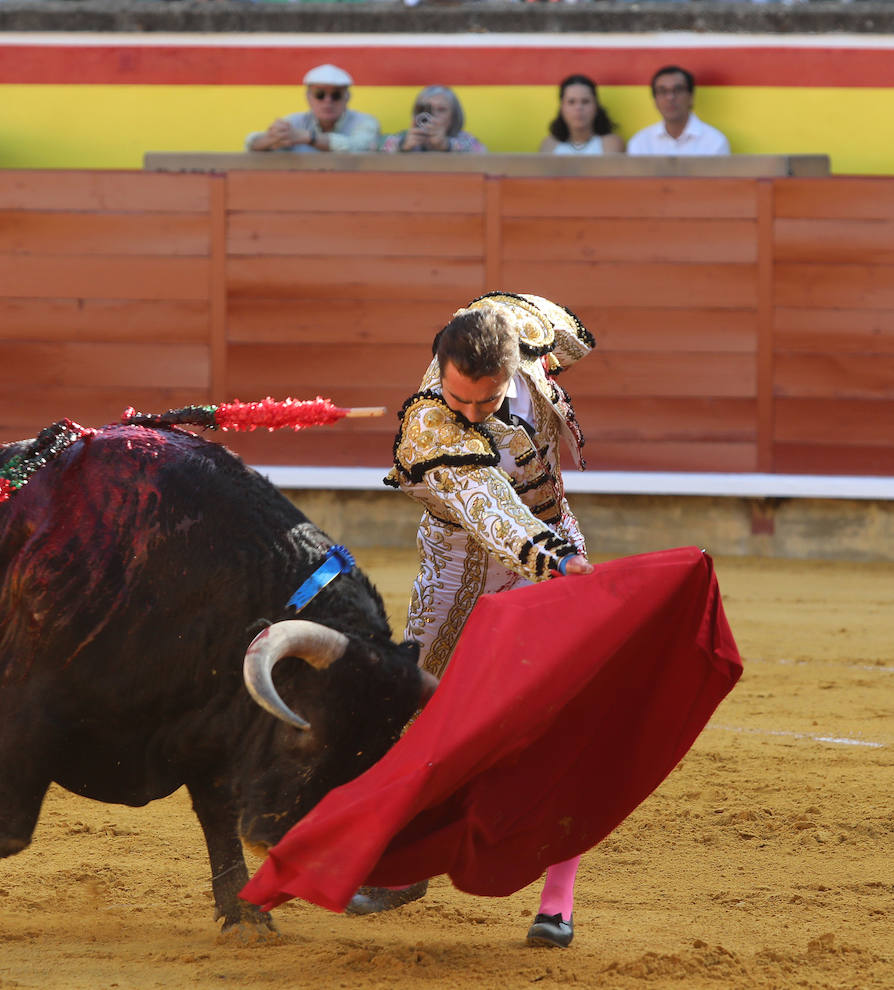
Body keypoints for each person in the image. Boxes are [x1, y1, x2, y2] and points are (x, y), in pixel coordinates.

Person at [349, 292, 597, 949]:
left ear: (513, 371)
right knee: (416, 707)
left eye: (483, 402)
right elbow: (497, 517)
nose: (467, 413)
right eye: (457, 398)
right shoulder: (431, 426)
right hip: (466, 564)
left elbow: (560, 328)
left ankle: (558, 901)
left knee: (566, 713)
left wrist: (575, 342)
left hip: (553, 540)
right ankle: (401, 867)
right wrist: (561, 563)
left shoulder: (513, 329)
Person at [244, 64, 380, 153]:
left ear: (347, 97)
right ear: (308, 97)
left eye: (336, 95)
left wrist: (309, 138)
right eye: (320, 94)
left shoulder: (365, 122)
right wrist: (271, 138)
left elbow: (360, 148)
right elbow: (250, 143)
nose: (328, 101)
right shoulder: (294, 122)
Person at [627, 65, 730, 156]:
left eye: (678, 90)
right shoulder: (640, 142)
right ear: (655, 100)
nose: (670, 97)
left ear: (691, 97)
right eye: (662, 91)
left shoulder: (714, 141)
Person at [380, 85, 486, 154]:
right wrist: (402, 146)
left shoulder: (465, 139)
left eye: (441, 110)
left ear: (453, 116)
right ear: (417, 113)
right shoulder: (404, 137)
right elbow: (375, 153)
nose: (433, 115)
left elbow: (483, 156)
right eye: (427, 109)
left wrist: (447, 145)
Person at [538, 74, 625, 155]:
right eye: (571, 102)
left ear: (596, 106)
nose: (578, 108)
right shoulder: (549, 145)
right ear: (562, 107)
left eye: (585, 101)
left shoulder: (611, 143)